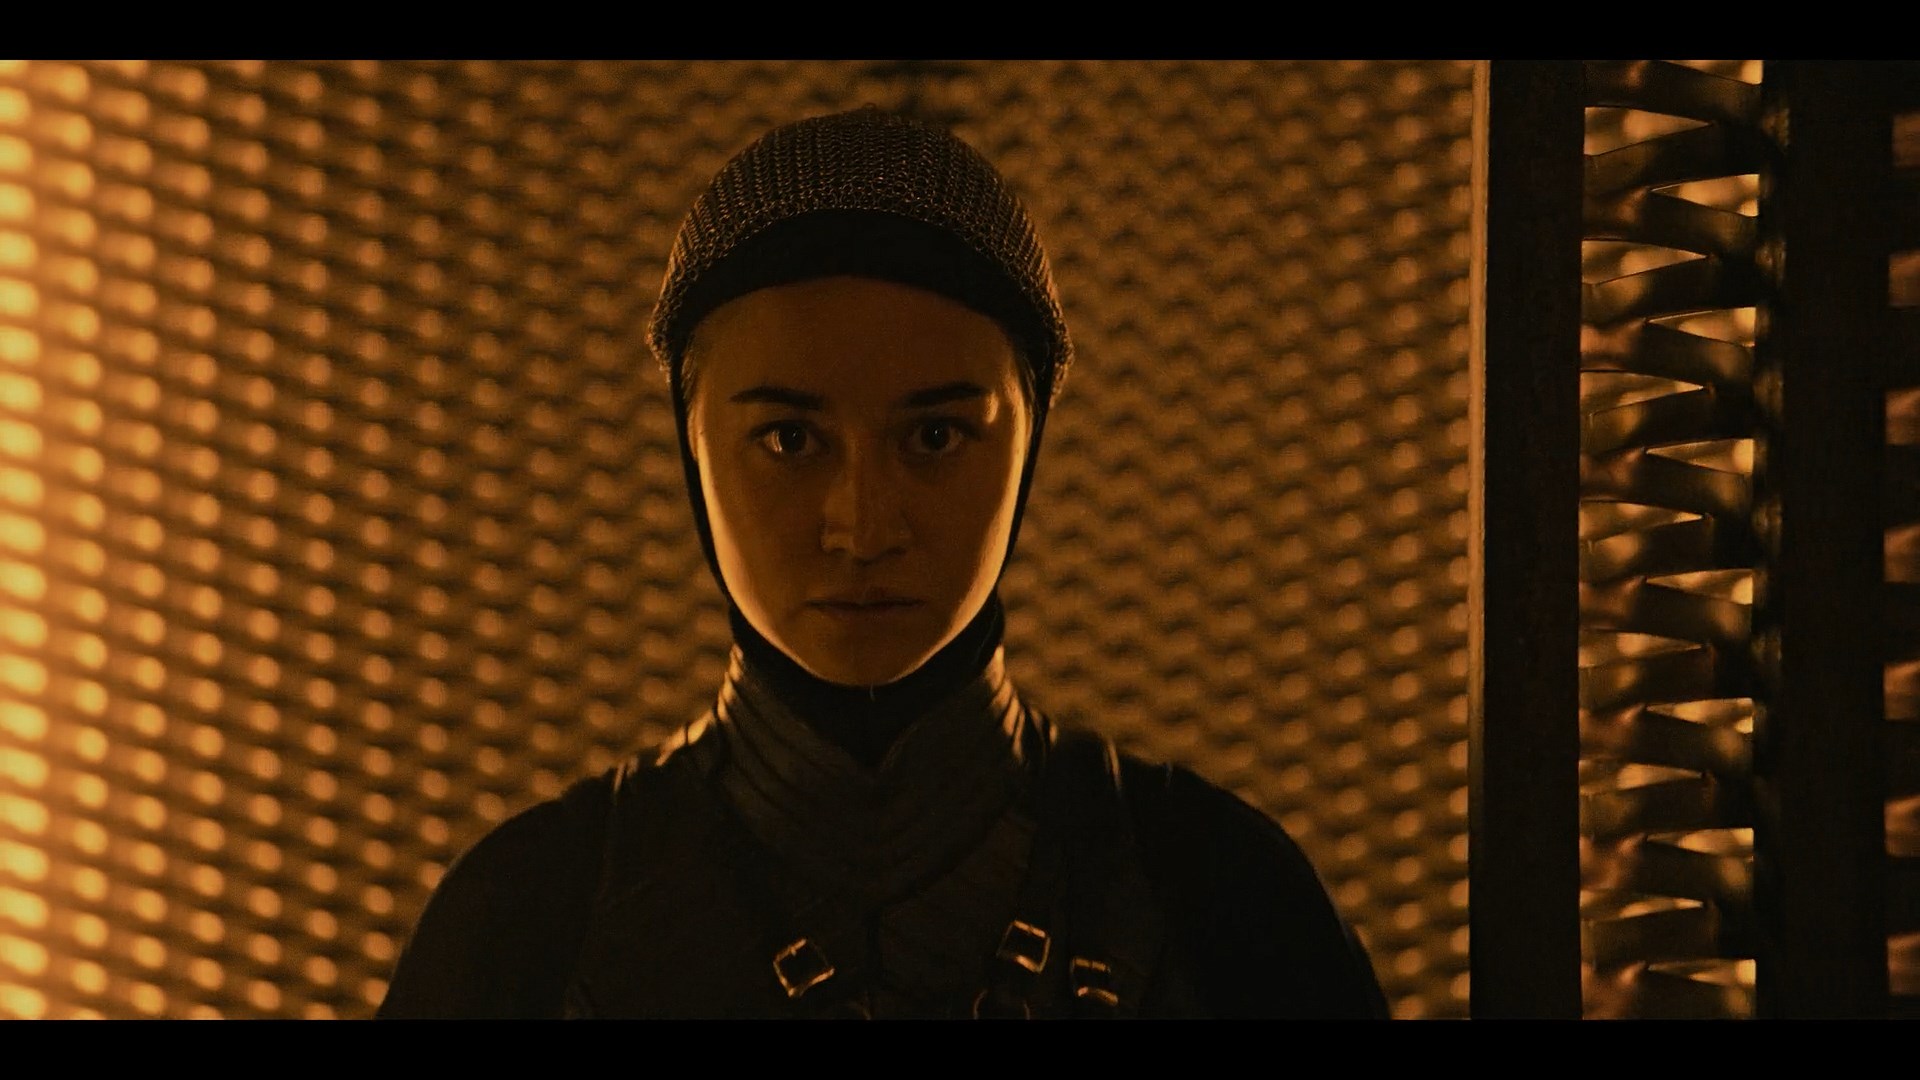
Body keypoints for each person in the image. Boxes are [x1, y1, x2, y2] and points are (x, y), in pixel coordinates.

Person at [377, 105, 1387, 1019]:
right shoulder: (526, 919)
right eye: (790, 441)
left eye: (936, 437)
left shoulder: (1225, 897)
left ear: (1030, 440)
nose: (862, 528)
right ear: (690, 446)